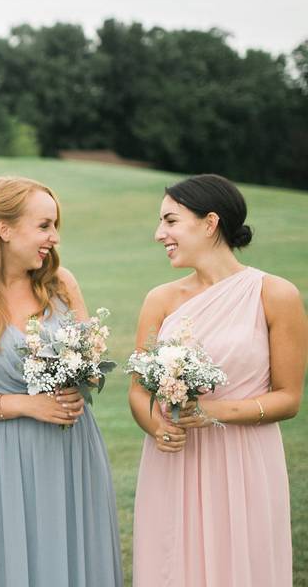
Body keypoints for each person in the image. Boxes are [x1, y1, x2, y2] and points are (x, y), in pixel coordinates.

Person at [0, 176, 122, 587]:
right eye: (44, 226)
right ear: (3, 229)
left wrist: (83, 372)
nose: (54, 237)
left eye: (55, 226)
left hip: (71, 447)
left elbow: (90, 361)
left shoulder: (61, 284)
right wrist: (25, 404)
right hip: (1, 455)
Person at [129, 173, 307, 586]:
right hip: (175, 461)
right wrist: (157, 426)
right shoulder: (161, 299)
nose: (160, 234)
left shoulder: (275, 294)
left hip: (245, 462)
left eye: (170, 221)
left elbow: (289, 398)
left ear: (210, 223)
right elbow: (139, 392)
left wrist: (211, 411)